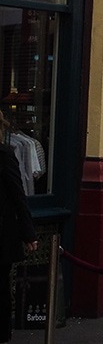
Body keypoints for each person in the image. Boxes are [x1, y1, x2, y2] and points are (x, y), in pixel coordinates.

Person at [0, 111, 36, 344]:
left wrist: (27, 231)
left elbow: (17, 196)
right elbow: (18, 195)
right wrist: (28, 234)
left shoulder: (5, 154)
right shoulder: (4, 155)